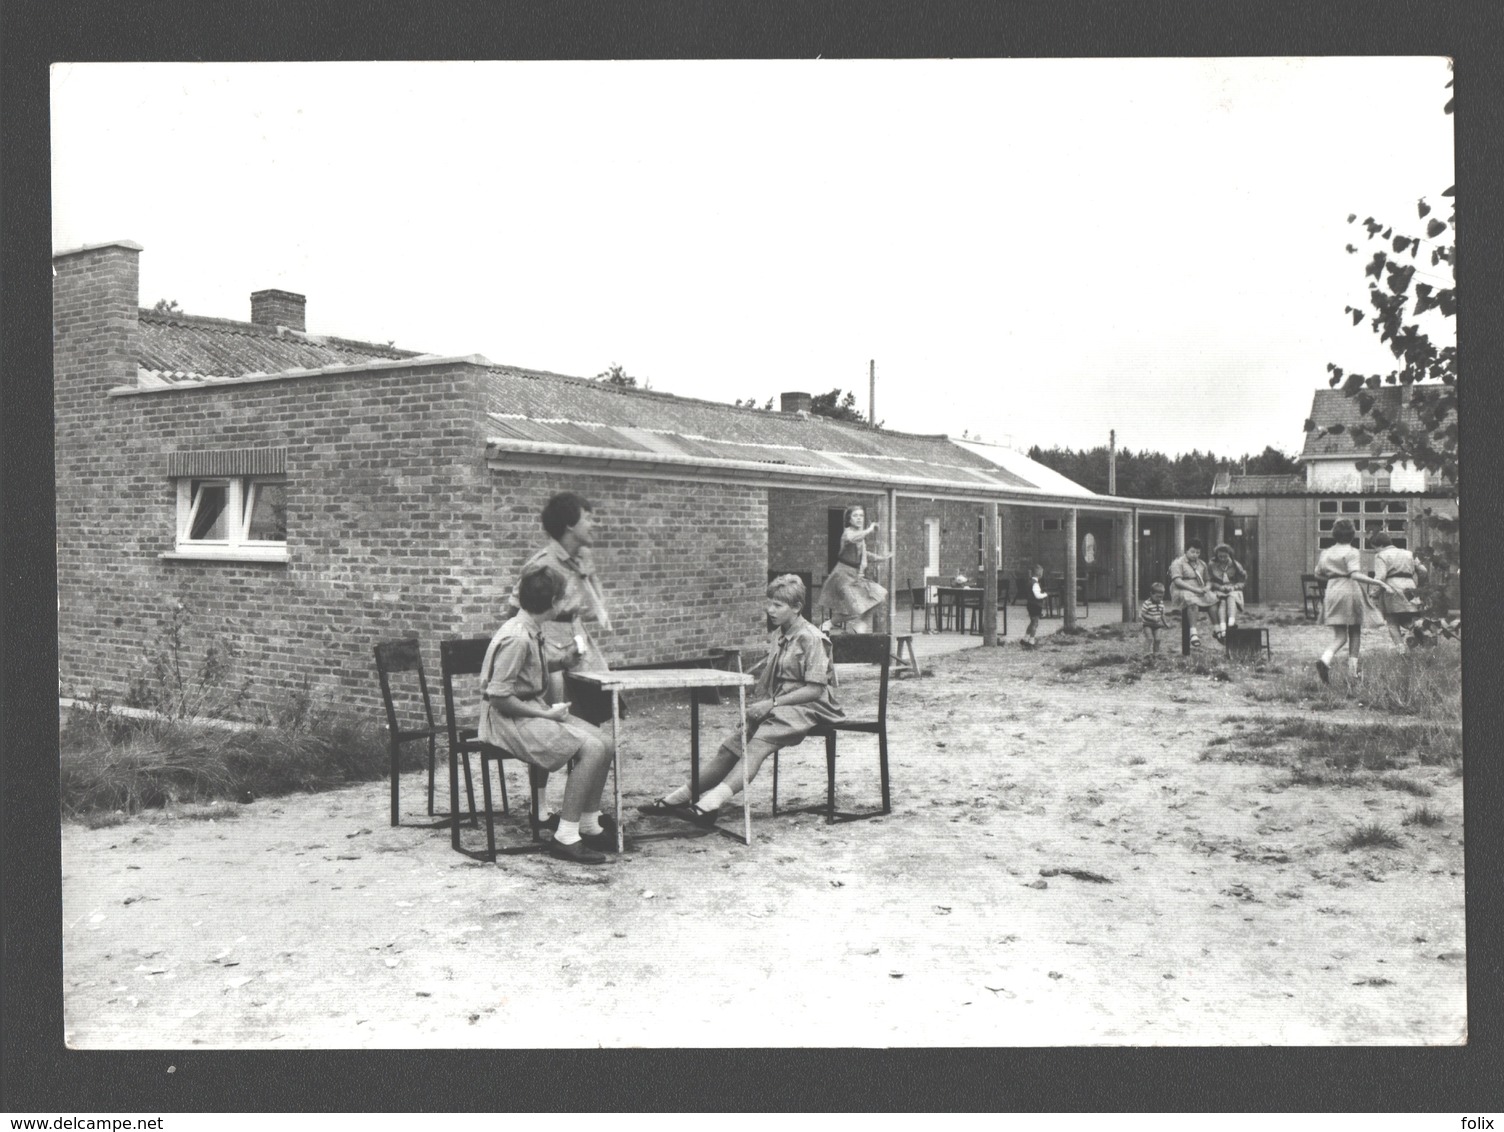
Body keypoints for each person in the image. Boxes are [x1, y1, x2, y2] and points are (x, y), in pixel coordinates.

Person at [638, 574, 843, 828]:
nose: (770, 610)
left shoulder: (811, 637)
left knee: (757, 744)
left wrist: (771, 705)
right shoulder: (780, 635)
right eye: (770, 603)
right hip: (781, 704)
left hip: (811, 706)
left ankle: (710, 804)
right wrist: (756, 710)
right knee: (730, 748)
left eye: (778, 605)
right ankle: (677, 799)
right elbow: (772, 682)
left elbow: (814, 690)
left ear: (797, 607)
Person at [480, 568, 618, 864]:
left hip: (530, 712)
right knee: (591, 748)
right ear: (554, 601)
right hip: (508, 721)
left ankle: (588, 823)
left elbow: (528, 673)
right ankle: (566, 837)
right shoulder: (517, 637)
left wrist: (563, 661)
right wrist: (548, 714)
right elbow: (499, 696)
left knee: (605, 742)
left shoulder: (532, 628)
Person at [508, 491, 617, 827]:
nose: (593, 523)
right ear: (570, 525)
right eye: (588, 517)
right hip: (549, 646)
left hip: (577, 644)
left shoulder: (580, 559)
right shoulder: (543, 563)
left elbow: (592, 604)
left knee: (593, 723)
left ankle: (587, 813)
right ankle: (540, 809)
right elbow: (517, 611)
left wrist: (587, 575)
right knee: (552, 723)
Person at [1313, 518, 1394, 684]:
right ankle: (1352, 672)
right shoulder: (1351, 551)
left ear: (1334, 535)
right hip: (1349, 589)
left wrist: (1333, 576)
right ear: (1352, 535)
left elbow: (1318, 574)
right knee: (1355, 629)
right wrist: (1378, 582)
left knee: (1340, 635)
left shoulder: (1326, 553)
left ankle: (1325, 659)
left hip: (1332, 590)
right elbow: (1354, 574)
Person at [821, 504, 890, 634]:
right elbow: (853, 538)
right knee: (855, 610)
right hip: (843, 576)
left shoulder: (860, 537)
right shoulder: (848, 533)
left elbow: (864, 554)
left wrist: (882, 558)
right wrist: (869, 529)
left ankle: (860, 625)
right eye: (855, 516)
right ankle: (828, 624)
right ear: (849, 519)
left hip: (856, 576)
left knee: (879, 598)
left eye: (861, 515)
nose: (859, 518)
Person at [1370, 530, 1427, 651]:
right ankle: (1424, 644)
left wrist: (1373, 594)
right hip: (1410, 588)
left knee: (1392, 622)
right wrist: (1419, 587)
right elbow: (1423, 570)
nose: (1375, 551)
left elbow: (1380, 577)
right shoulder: (1409, 553)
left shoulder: (1381, 555)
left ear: (1380, 545)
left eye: (1374, 548)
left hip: (1392, 588)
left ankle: (1402, 652)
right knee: (1411, 619)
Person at [1167, 539, 1219, 648]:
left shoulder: (1202, 564)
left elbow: (1208, 579)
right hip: (1182, 588)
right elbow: (1177, 581)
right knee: (1192, 602)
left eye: (1198, 552)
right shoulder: (1178, 563)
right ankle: (1193, 633)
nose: (1195, 555)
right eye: (1192, 551)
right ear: (1186, 551)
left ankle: (1217, 629)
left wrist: (1207, 587)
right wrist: (1195, 590)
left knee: (1213, 599)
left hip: (1199, 588)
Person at [1206, 543, 1248, 642]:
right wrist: (1219, 587)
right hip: (1219, 590)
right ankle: (1223, 629)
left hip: (1233, 590)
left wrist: (1234, 587)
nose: (1223, 559)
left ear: (1229, 555)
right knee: (1222, 602)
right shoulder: (1212, 565)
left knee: (1231, 598)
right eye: (1220, 556)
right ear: (1216, 556)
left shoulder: (1235, 564)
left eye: (1225, 556)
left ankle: (1231, 623)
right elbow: (1209, 580)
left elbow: (1243, 581)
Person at [1139, 582, 1173, 655]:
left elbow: (1162, 615)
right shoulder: (1147, 603)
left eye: (1161, 597)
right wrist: (1152, 618)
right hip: (1147, 624)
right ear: (1151, 594)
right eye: (1157, 597)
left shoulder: (1161, 603)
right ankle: (1146, 654)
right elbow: (1143, 614)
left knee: (1158, 639)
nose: (1159, 599)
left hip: (1157, 625)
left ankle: (1156, 655)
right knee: (1149, 638)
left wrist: (1165, 623)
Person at [1021, 563, 1046, 648]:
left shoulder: (1029, 582)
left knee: (1032, 622)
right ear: (1039, 574)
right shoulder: (1035, 584)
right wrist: (1044, 595)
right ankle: (1032, 641)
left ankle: (1025, 638)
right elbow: (1037, 595)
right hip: (1036, 605)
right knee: (1035, 623)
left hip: (1030, 604)